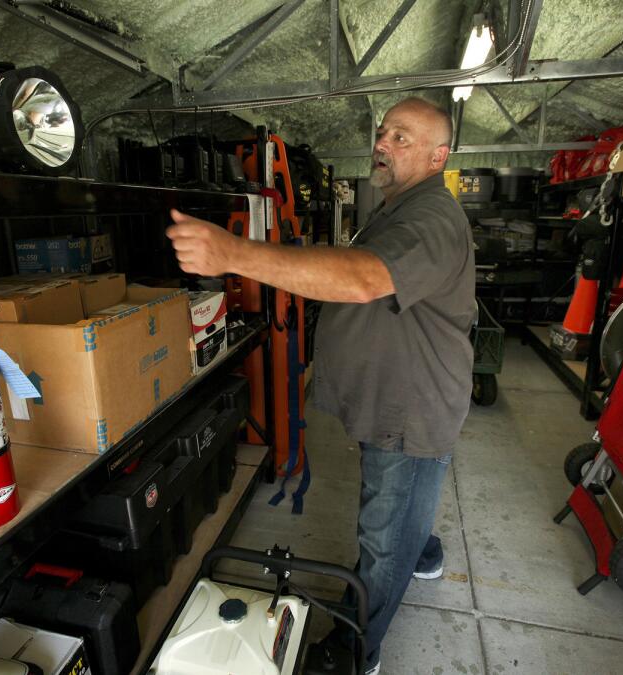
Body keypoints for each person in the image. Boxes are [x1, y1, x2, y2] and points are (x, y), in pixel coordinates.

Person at [165, 97, 474, 674]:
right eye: (383, 133)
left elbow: (363, 279)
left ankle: (358, 649)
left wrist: (233, 252)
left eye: (402, 138)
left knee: (383, 536)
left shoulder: (431, 217)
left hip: (409, 411)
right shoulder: (399, 206)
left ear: (438, 157)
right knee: (402, 502)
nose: (383, 144)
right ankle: (421, 546)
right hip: (392, 400)